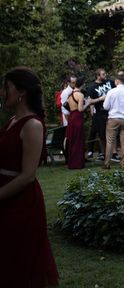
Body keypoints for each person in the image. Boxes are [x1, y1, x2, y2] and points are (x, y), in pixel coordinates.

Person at [0, 67, 59, 287]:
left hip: (20, 203)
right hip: (6, 196)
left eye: (7, 87)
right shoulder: (13, 121)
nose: (3, 92)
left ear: (21, 92)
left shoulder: (32, 125)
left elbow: (27, 175)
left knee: (18, 262)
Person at [102, 74, 124, 169]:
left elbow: (106, 106)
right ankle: (123, 163)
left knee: (110, 141)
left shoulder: (111, 92)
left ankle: (107, 163)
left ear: (117, 81)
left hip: (113, 118)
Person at [84, 68, 113, 161]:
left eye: (105, 74)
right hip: (100, 113)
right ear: (98, 76)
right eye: (103, 74)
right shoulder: (92, 87)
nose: (105, 75)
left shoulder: (110, 82)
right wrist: (100, 99)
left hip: (112, 112)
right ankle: (103, 154)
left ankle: (114, 154)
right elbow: (89, 101)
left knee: (112, 135)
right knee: (102, 135)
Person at [65, 76, 86, 170]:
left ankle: (72, 163)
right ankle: (77, 163)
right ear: (82, 85)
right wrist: (88, 103)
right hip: (77, 118)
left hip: (71, 118)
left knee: (73, 140)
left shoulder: (70, 94)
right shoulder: (80, 95)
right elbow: (80, 109)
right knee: (78, 140)